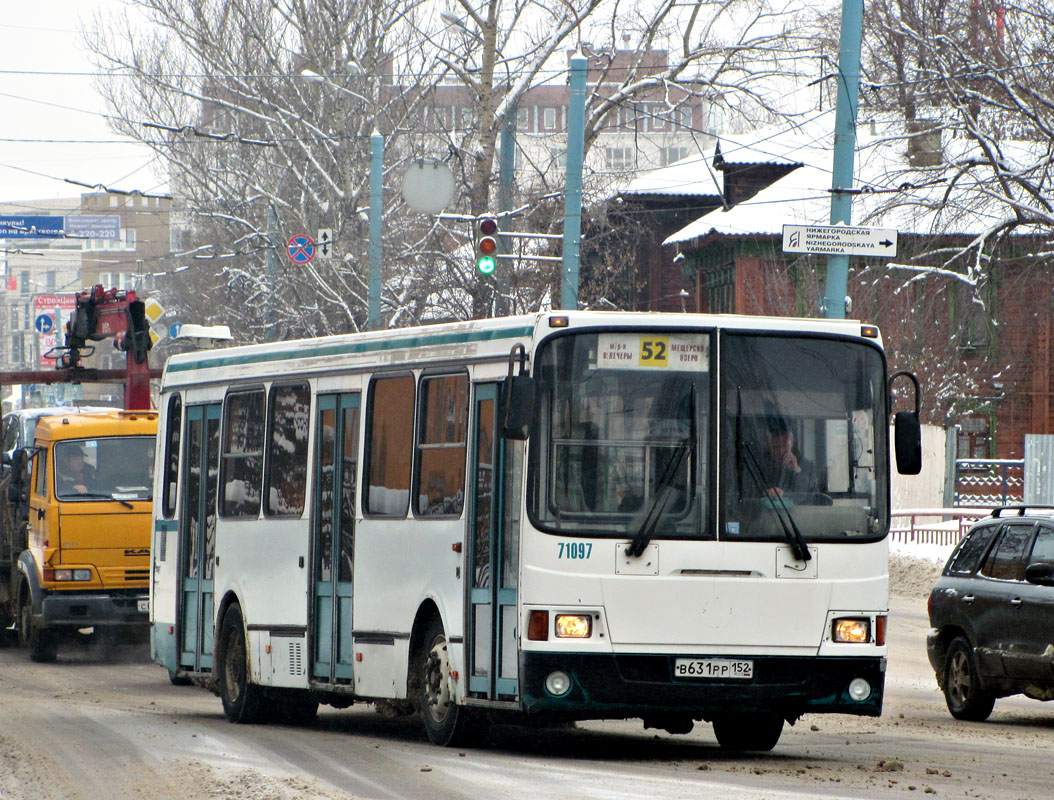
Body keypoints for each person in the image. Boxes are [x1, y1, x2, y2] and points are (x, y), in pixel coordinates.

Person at [761, 419, 817, 498]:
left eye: (785, 446)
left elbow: (809, 496)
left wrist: (797, 470)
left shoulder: (808, 467)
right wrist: (767, 493)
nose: (781, 451)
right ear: (768, 446)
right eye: (776, 447)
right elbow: (751, 492)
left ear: (792, 443)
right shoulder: (759, 465)